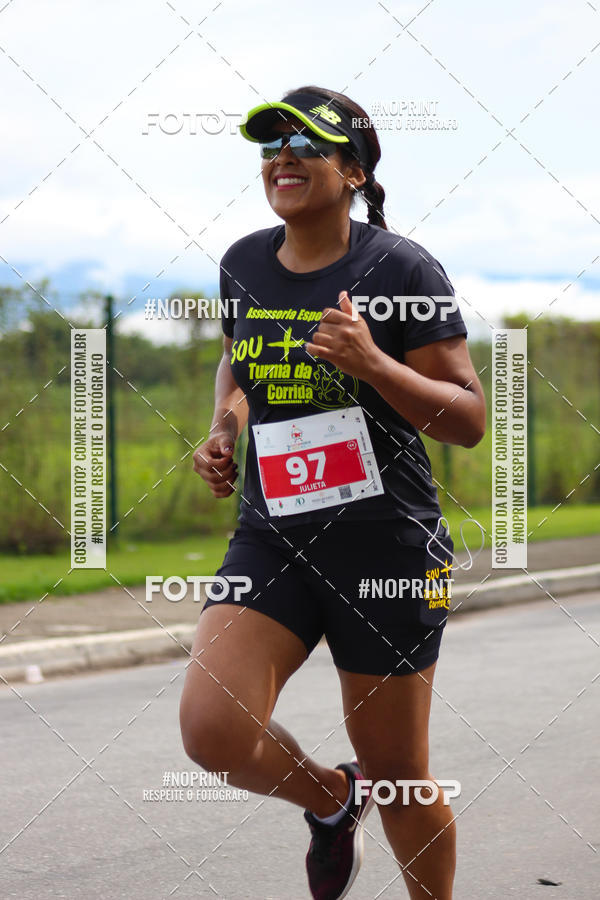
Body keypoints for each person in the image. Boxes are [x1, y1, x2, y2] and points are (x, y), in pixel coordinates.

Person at [180, 85, 486, 900]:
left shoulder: (402, 269)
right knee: (213, 731)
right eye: (271, 145)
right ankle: (330, 798)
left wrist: (373, 364)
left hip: (384, 545)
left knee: (399, 774)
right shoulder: (243, 263)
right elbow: (239, 361)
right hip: (273, 534)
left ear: (352, 171)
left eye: (306, 145)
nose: (283, 159)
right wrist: (224, 427)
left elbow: (467, 419)